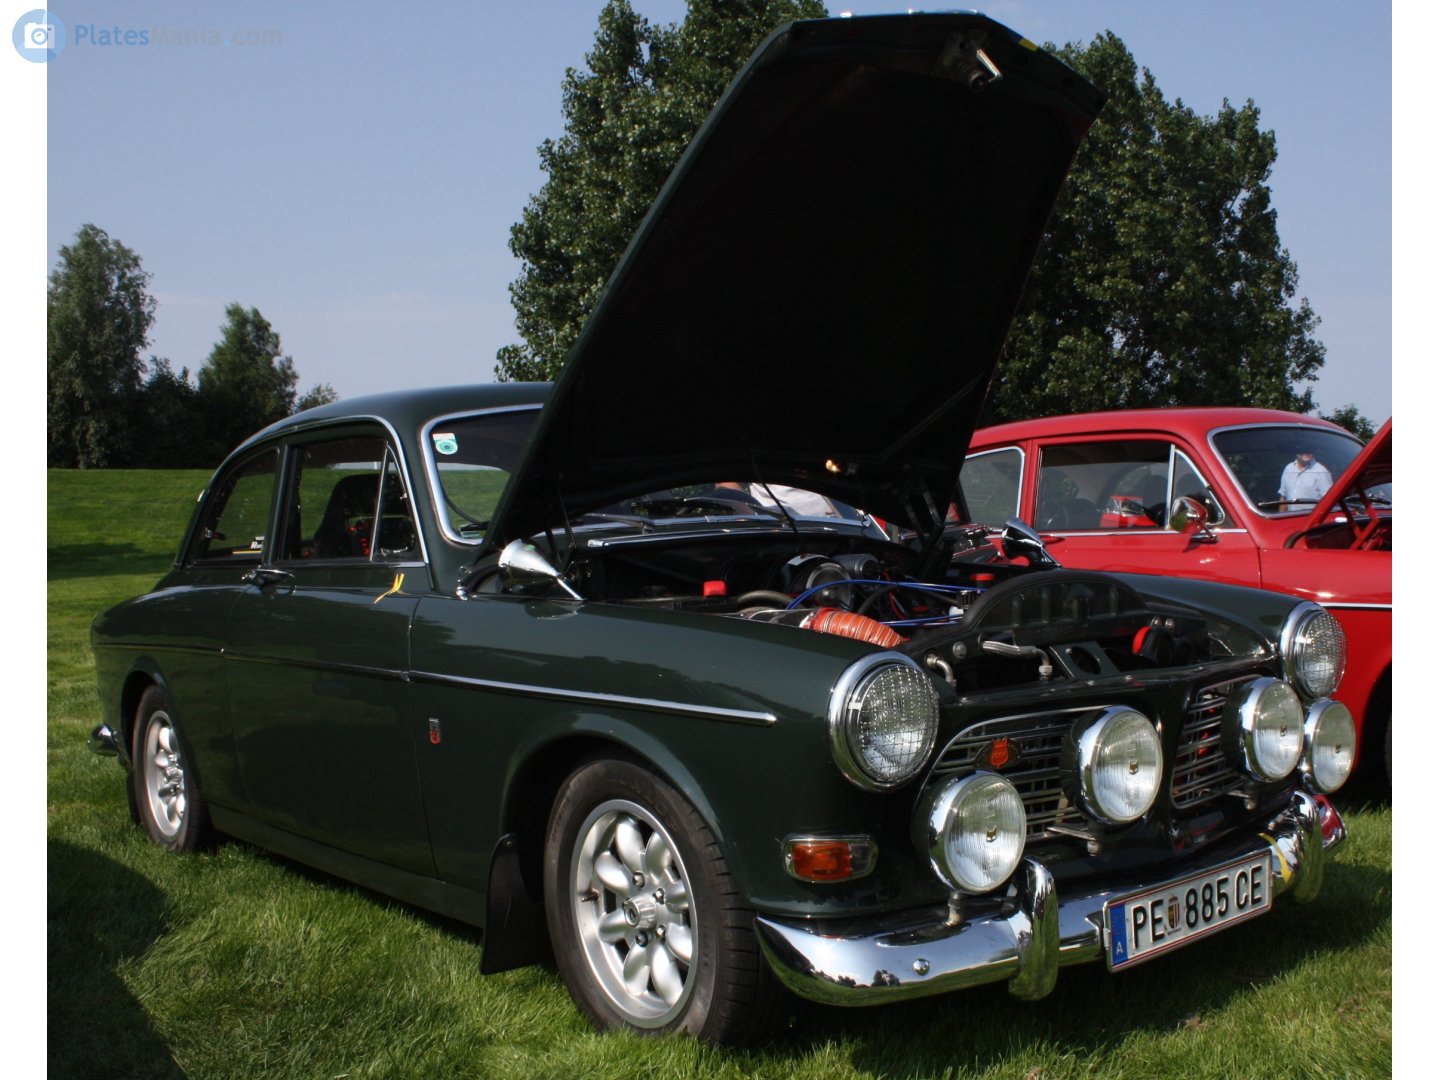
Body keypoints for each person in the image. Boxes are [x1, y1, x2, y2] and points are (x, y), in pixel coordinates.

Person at [1277, 443, 1333, 511]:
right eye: (1302, 449)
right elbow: (1283, 497)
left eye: (1309, 449)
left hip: (1310, 515)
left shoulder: (1322, 471)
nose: (1306, 452)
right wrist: (1281, 515)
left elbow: (1329, 501)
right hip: (1290, 515)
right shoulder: (1288, 468)